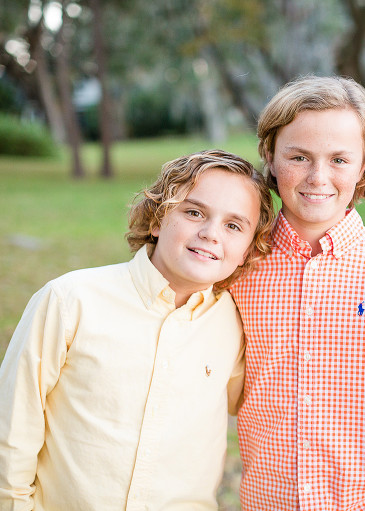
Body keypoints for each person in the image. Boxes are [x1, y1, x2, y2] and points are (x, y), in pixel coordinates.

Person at [0, 149, 275, 510]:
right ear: (158, 220)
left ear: (246, 251)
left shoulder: (237, 325)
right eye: (194, 212)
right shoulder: (70, 301)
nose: (210, 234)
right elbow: (11, 433)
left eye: (233, 226)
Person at [230, 75, 365, 510]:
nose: (317, 177)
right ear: (270, 156)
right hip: (268, 500)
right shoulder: (239, 265)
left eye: (339, 160)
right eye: (299, 157)